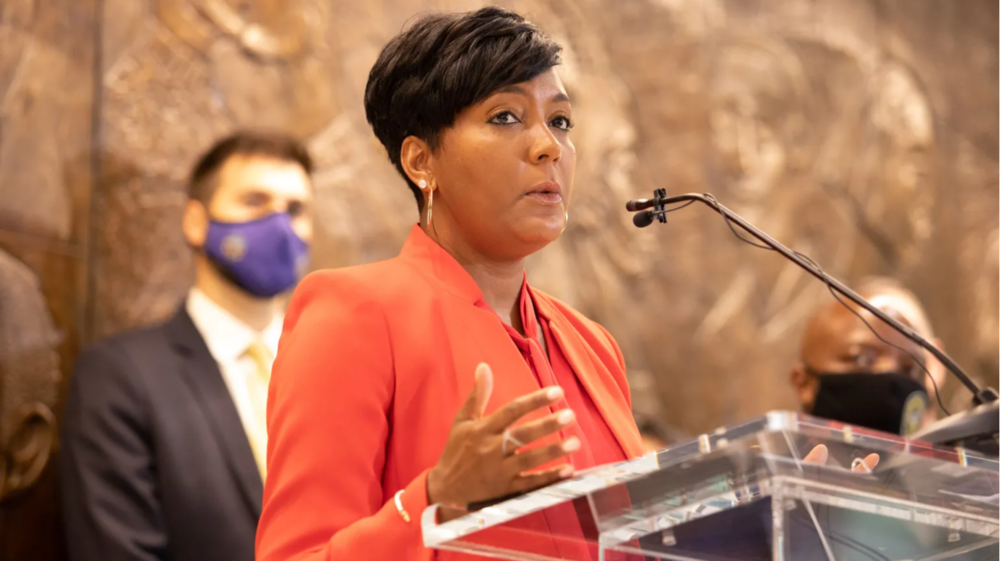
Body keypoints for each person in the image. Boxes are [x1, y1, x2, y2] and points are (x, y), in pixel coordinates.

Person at [255, 8, 647, 561]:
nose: (548, 147)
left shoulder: (592, 346)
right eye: (506, 117)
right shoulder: (355, 314)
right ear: (422, 162)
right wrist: (436, 498)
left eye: (560, 121)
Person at [60, 131, 314, 561]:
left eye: (295, 209)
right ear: (197, 222)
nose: (279, 225)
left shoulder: (329, 374)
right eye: (255, 201)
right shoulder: (119, 377)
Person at [790, 282, 934, 436]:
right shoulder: (768, 457)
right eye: (862, 359)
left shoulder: (942, 460)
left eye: (910, 369)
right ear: (804, 383)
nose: (889, 372)